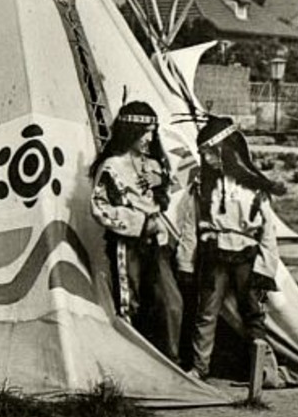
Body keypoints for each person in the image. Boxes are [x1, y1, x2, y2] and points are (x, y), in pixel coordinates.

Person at [186, 115, 283, 397]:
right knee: (207, 312)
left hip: (246, 257)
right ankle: (199, 368)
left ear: (222, 150)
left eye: (207, 150)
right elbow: (191, 225)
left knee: (252, 313)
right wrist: (185, 262)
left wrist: (265, 269)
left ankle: (264, 372)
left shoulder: (254, 188)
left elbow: (267, 233)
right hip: (214, 254)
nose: (203, 156)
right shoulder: (203, 186)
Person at [89, 101, 185, 365]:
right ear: (130, 131)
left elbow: (167, 197)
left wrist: (162, 183)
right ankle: (132, 364)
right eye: (144, 132)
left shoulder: (155, 165)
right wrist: (139, 222)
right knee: (129, 303)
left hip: (158, 243)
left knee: (170, 302)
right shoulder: (112, 166)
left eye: (152, 132)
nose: (149, 138)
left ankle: (170, 361)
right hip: (127, 245)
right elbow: (99, 207)